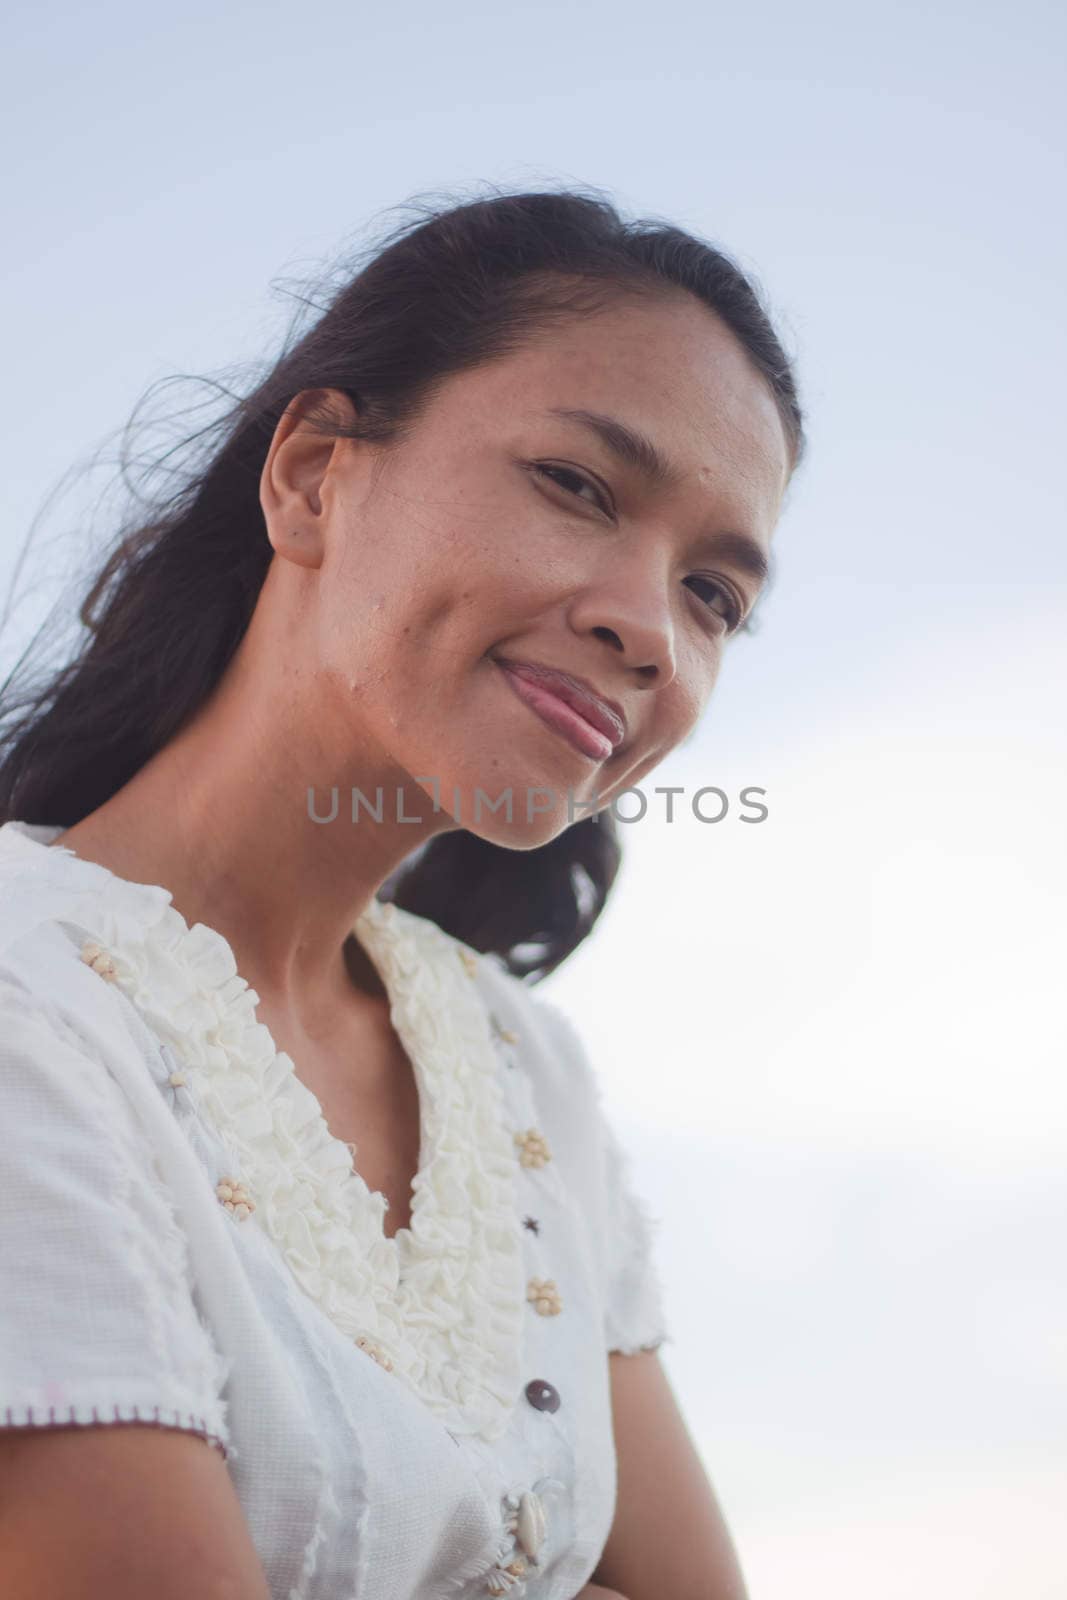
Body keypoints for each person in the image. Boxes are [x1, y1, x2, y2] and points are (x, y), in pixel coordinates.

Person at [0, 187, 803, 1600]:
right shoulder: (27, 1004)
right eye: (578, 485)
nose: (648, 627)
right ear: (313, 473)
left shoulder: (520, 1069)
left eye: (716, 596)